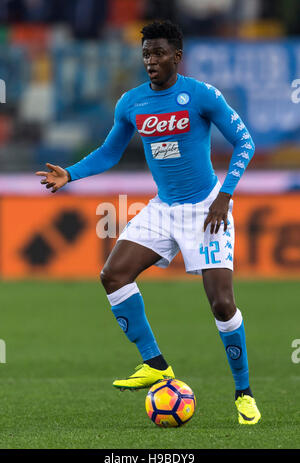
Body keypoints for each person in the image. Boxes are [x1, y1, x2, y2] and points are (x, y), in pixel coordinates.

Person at [36, 20, 261, 425]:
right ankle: (156, 365)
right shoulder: (131, 103)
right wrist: (70, 173)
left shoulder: (201, 96)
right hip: (162, 208)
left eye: (158, 54)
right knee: (113, 274)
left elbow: (245, 141)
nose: (151, 61)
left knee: (222, 304)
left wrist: (225, 197)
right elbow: (109, 152)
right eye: (145, 54)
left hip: (207, 207)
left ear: (177, 56)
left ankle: (243, 393)